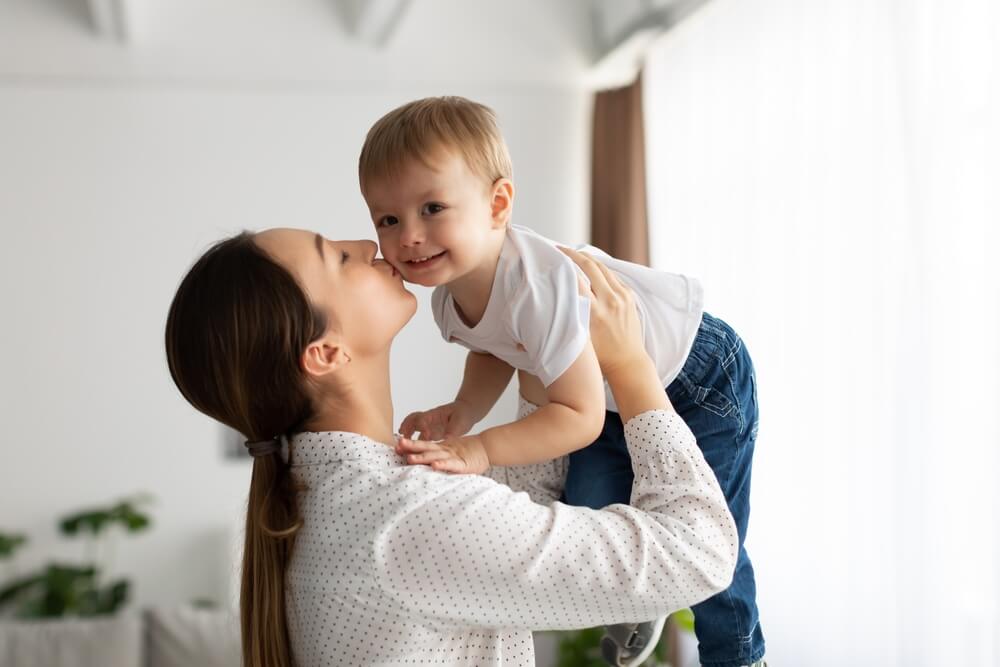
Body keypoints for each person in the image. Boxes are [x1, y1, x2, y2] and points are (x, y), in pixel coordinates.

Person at [164, 227, 737, 667]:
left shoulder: (340, 500)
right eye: (337, 257)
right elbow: (699, 554)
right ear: (324, 353)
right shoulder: (402, 520)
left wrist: (542, 357)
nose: (366, 243)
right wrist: (630, 366)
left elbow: (511, 519)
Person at [358, 96, 766, 667]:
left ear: (497, 204)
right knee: (593, 511)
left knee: (709, 545)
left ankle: (740, 655)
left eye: (432, 208)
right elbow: (495, 346)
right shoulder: (451, 298)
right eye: (388, 219)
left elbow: (577, 418)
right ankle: (644, 599)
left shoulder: (534, 283)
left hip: (695, 375)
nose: (409, 238)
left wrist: (479, 448)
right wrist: (464, 410)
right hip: (603, 394)